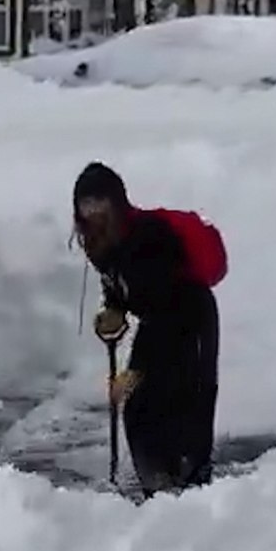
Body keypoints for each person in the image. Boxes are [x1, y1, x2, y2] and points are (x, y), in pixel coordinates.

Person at [73, 163, 220, 498]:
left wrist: (124, 315)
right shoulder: (100, 243)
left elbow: (159, 291)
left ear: (117, 202)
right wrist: (113, 312)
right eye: (86, 205)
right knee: (138, 406)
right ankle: (158, 488)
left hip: (190, 321)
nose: (93, 212)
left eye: (100, 203)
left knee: (185, 407)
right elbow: (119, 287)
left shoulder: (147, 235)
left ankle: (193, 493)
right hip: (158, 326)